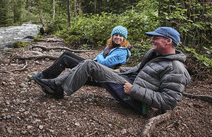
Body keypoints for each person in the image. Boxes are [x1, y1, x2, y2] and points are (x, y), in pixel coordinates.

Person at [33, 27, 191, 114]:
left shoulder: (176, 69)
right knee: (87, 64)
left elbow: (169, 102)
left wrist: (134, 90)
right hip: (129, 81)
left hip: (137, 99)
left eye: (155, 38)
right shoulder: (154, 54)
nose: (152, 40)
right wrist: (120, 71)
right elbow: (138, 70)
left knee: (89, 65)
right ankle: (55, 85)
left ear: (168, 41)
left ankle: (56, 87)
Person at [28, 26, 131, 80]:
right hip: (93, 65)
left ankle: (44, 76)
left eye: (121, 36)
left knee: (65, 59)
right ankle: (46, 75)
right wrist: (99, 57)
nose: (118, 37)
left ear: (124, 39)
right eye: (116, 35)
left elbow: (103, 62)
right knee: (66, 54)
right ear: (112, 36)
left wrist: (99, 58)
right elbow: (100, 56)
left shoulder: (121, 52)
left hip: (98, 74)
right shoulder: (111, 47)